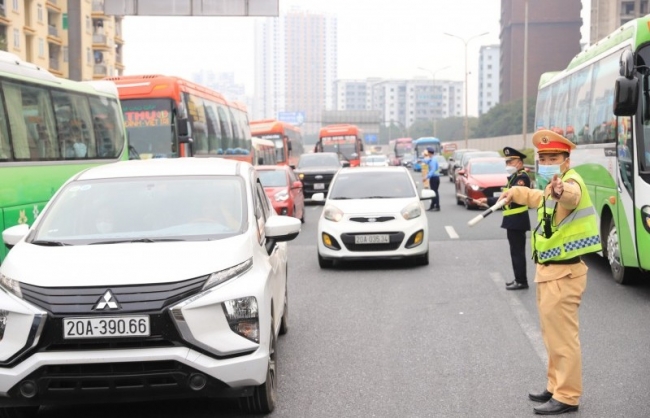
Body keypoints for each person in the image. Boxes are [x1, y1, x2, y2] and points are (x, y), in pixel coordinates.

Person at [497, 130, 601, 415]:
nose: (546, 161)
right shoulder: (549, 184)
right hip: (549, 272)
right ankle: (555, 386)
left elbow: (568, 197)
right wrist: (514, 193)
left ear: (567, 160)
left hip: (565, 274)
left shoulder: (569, 183)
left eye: (553, 157)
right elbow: (538, 198)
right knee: (551, 336)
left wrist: (559, 191)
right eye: (543, 157)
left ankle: (567, 396)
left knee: (563, 338)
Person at [477, 147, 531, 290]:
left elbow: (508, 199)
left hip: (517, 220)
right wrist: (486, 200)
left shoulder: (522, 178)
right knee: (515, 252)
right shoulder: (514, 177)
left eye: (510, 162)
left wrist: (488, 200)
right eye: (506, 162)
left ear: (519, 162)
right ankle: (518, 278)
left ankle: (521, 281)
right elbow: (504, 198)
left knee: (517, 253)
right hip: (513, 220)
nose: (508, 165)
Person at [425, 146, 440, 211]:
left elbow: (433, 169)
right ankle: (433, 205)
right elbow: (426, 161)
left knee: (434, 193)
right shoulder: (431, 159)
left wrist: (427, 177)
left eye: (427, 152)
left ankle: (437, 206)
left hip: (434, 178)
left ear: (429, 153)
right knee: (434, 192)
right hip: (435, 178)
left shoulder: (433, 160)